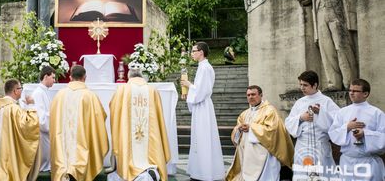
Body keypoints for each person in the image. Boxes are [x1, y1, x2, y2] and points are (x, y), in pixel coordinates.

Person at [297, 0, 359, 90]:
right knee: (327, 50)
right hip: (320, 15)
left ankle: (350, 82)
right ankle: (334, 83)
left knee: (342, 47)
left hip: (338, 14)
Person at [108, 68, 171, 181]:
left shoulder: (122, 89)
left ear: (129, 77)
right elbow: (159, 115)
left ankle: (132, 171)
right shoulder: (152, 90)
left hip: (130, 135)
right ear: (141, 76)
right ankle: (151, 169)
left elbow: (114, 107)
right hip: (150, 139)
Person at [50, 65, 109, 181]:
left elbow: (53, 118)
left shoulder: (59, 95)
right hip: (81, 146)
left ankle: (64, 172)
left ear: (70, 77)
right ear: (85, 77)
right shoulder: (90, 96)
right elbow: (100, 118)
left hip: (63, 147)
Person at [226, 85, 294, 181]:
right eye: (248, 95)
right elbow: (237, 134)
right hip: (247, 153)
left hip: (263, 153)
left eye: (253, 94)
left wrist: (251, 127)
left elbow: (273, 130)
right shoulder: (244, 113)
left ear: (261, 95)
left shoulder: (270, 110)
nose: (250, 97)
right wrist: (239, 129)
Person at [180, 41, 224, 180]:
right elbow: (199, 90)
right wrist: (188, 92)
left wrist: (188, 85)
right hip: (201, 105)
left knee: (203, 138)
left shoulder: (205, 68)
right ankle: (200, 171)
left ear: (201, 52)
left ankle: (205, 172)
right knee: (199, 138)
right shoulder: (202, 67)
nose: (192, 54)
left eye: (194, 51)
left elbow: (202, 91)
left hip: (202, 106)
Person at [285, 70, 340, 179]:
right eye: (300, 84)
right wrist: (301, 118)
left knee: (321, 176)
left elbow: (337, 122)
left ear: (315, 85)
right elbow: (288, 122)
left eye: (305, 85)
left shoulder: (326, 101)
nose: (302, 88)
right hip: (303, 145)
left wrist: (320, 113)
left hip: (320, 145)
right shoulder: (299, 102)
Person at [328, 79, 385, 180]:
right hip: (347, 163)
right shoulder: (342, 112)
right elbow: (333, 133)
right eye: (350, 90)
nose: (351, 93)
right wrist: (347, 127)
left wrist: (365, 134)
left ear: (365, 93)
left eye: (355, 91)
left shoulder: (377, 113)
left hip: (368, 163)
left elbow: (383, 136)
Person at [23, 65, 56, 172]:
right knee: (44, 158)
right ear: (46, 76)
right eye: (53, 77)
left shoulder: (44, 91)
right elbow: (40, 115)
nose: (54, 81)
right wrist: (50, 125)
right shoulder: (39, 92)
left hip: (46, 128)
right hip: (43, 130)